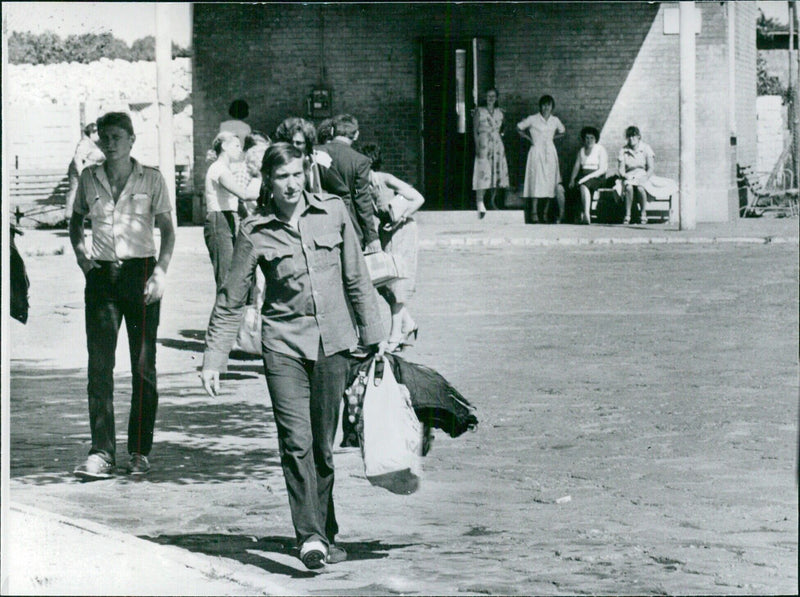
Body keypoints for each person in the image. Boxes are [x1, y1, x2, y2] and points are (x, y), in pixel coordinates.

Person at [201, 143, 386, 570]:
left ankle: (325, 530)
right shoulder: (255, 229)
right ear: (268, 180)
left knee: (322, 444)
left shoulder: (334, 211)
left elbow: (356, 278)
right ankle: (310, 537)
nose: (291, 183)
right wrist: (215, 356)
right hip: (283, 344)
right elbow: (232, 298)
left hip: (333, 344)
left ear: (306, 174)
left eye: (296, 174)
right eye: (281, 176)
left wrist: (374, 335)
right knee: (296, 441)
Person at [69, 112, 175, 480]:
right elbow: (75, 220)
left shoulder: (152, 178)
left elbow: (167, 229)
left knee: (143, 366)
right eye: (105, 137)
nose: (109, 143)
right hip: (101, 278)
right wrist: (83, 258)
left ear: (132, 139)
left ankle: (138, 451)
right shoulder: (89, 177)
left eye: (117, 137)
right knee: (100, 368)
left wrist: (160, 272)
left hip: (140, 274)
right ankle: (101, 452)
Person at [361, 143, 425, 351]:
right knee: (383, 281)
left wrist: (402, 216)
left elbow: (418, 198)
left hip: (404, 231)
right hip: (386, 232)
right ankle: (408, 324)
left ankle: (395, 335)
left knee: (397, 283)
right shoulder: (362, 184)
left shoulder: (386, 179)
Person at [316, 114, 381, 253]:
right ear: (356, 135)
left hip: (318, 221)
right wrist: (372, 236)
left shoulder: (316, 152)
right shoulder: (360, 161)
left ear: (332, 131)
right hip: (348, 225)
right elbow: (362, 200)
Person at [204, 131, 251, 291]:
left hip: (229, 217)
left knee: (232, 275)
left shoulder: (226, 168)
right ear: (224, 146)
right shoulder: (218, 168)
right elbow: (242, 194)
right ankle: (223, 314)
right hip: (219, 219)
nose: (240, 150)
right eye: (237, 146)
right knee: (224, 278)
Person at [517, 95, 566, 224]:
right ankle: (534, 213)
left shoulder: (555, 120)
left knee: (550, 182)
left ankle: (545, 213)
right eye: (544, 105)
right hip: (536, 152)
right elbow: (519, 128)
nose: (546, 108)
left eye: (549, 105)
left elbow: (563, 131)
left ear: (552, 107)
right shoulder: (533, 119)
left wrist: (552, 139)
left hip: (550, 152)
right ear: (540, 106)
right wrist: (529, 139)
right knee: (536, 181)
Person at [472, 88, 509, 219]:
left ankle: (492, 201)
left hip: (497, 145)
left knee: (496, 173)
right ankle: (480, 201)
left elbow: (504, 128)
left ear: (497, 98)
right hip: (484, 144)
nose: (491, 98)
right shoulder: (479, 112)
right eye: (488, 96)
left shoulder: (500, 112)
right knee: (483, 172)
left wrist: (501, 136)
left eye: (493, 96)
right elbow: (475, 131)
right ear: (485, 97)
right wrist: (477, 146)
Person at [568, 126, 608, 225]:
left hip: (597, 177)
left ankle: (586, 214)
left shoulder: (600, 149)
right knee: (573, 187)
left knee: (583, 185)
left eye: (592, 138)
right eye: (587, 138)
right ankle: (577, 215)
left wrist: (587, 177)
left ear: (596, 139)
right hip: (584, 176)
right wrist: (572, 180)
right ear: (583, 139)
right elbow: (576, 167)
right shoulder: (581, 151)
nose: (589, 140)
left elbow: (602, 169)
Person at [274, 117, 325, 193]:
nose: (293, 146)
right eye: (289, 142)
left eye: (298, 143)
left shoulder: (320, 163)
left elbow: (343, 194)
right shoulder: (276, 165)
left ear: (307, 145)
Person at [65, 123, 105, 219]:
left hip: (92, 171)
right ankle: (70, 218)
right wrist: (81, 173)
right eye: (97, 133)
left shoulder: (96, 143)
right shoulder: (84, 143)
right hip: (77, 171)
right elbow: (77, 159)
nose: (99, 135)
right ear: (91, 133)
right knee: (75, 191)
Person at [617, 125, 655, 224]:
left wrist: (645, 177)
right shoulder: (623, 150)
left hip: (642, 174)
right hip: (629, 175)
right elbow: (621, 170)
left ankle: (643, 214)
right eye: (629, 136)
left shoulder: (646, 148)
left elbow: (651, 168)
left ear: (639, 137)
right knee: (628, 187)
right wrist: (625, 176)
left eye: (634, 136)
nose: (631, 139)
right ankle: (628, 214)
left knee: (640, 188)